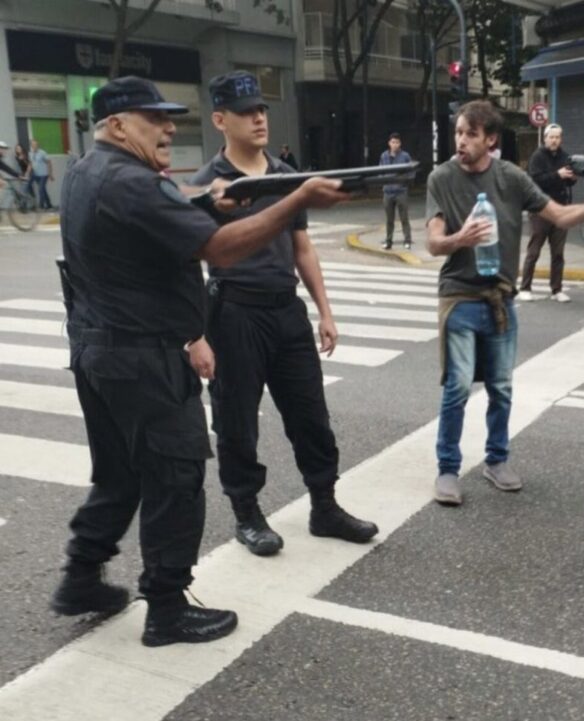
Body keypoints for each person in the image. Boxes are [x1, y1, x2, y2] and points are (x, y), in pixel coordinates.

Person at [50, 75, 349, 647]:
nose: (168, 128)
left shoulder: (88, 171)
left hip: (99, 352)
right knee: (176, 477)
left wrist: (210, 200)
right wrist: (296, 200)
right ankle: (166, 609)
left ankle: (80, 577)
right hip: (144, 359)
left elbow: (165, 215)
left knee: (120, 474)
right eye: (153, 118)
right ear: (116, 125)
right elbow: (221, 249)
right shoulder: (134, 181)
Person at [191, 70, 378, 556]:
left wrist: (325, 311)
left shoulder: (285, 175)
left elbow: (302, 248)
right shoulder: (205, 186)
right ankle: (247, 514)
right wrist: (196, 336)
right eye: (246, 112)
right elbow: (189, 263)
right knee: (236, 422)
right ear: (219, 120)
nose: (258, 118)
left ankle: (324, 505)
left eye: (262, 110)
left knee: (311, 416)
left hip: (284, 310)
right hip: (233, 313)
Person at [426, 100, 584, 506]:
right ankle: (447, 468)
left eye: (471, 134)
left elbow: (559, 215)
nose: (461, 140)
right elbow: (433, 241)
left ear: (490, 139)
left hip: (500, 298)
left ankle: (497, 460)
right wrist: (460, 240)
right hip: (459, 296)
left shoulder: (510, 178)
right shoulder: (441, 177)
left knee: (501, 387)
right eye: (459, 132)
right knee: (457, 387)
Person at [520, 123, 576, 303]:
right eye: (551, 137)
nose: (554, 140)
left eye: (557, 137)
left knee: (558, 252)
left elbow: (566, 182)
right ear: (545, 138)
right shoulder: (537, 157)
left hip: (560, 209)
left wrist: (571, 178)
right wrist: (557, 175)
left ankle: (556, 289)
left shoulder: (565, 156)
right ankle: (525, 288)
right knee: (534, 250)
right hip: (541, 210)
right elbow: (536, 181)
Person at [379, 132, 413, 250]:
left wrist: (404, 182)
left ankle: (407, 240)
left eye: (397, 142)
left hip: (401, 191)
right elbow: (380, 171)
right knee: (389, 219)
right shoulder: (384, 156)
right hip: (388, 192)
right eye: (393, 142)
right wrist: (384, 181)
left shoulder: (405, 156)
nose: (395, 145)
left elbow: (411, 172)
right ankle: (388, 241)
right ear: (389, 143)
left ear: (400, 144)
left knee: (404, 217)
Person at [29, 138, 54, 209]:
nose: (34, 146)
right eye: (32, 145)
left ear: (38, 145)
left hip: (44, 175)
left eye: (35, 144)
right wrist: (27, 173)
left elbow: (49, 163)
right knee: (43, 190)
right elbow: (31, 164)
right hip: (36, 175)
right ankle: (49, 204)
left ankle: (41, 206)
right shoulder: (30, 153)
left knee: (40, 189)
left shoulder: (42, 153)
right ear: (31, 145)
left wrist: (50, 174)